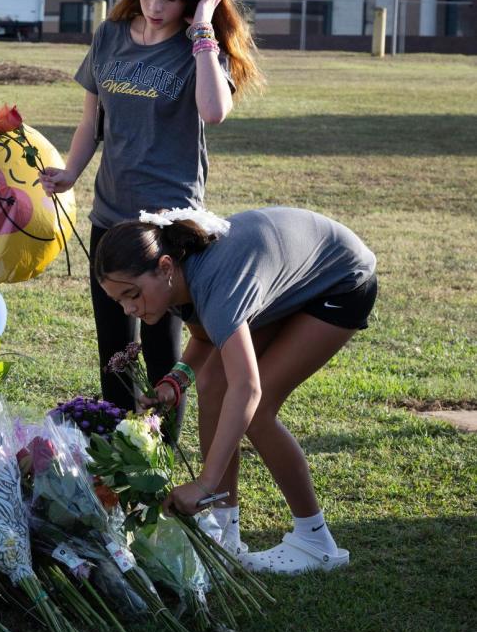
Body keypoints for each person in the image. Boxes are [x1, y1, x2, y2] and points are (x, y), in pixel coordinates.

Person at [40, 0, 264, 435]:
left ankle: (160, 459)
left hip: (166, 226)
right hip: (110, 216)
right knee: (115, 349)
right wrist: (71, 172)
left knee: (165, 352)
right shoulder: (110, 35)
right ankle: (120, 459)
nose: (156, 7)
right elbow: (90, 121)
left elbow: (213, 111)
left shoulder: (198, 47)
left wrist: (203, 30)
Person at [93, 206, 378, 574]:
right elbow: (207, 336)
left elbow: (248, 388)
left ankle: (314, 540)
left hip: (341, 281)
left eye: (132, 294)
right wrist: (176, 381)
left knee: (257, 413)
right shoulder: (177, 279)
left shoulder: (214, 284)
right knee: (212, 382)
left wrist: (204, 481)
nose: (129, 309)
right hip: (293, 278)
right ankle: (225, 529)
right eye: (119, 301)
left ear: (164, 267)